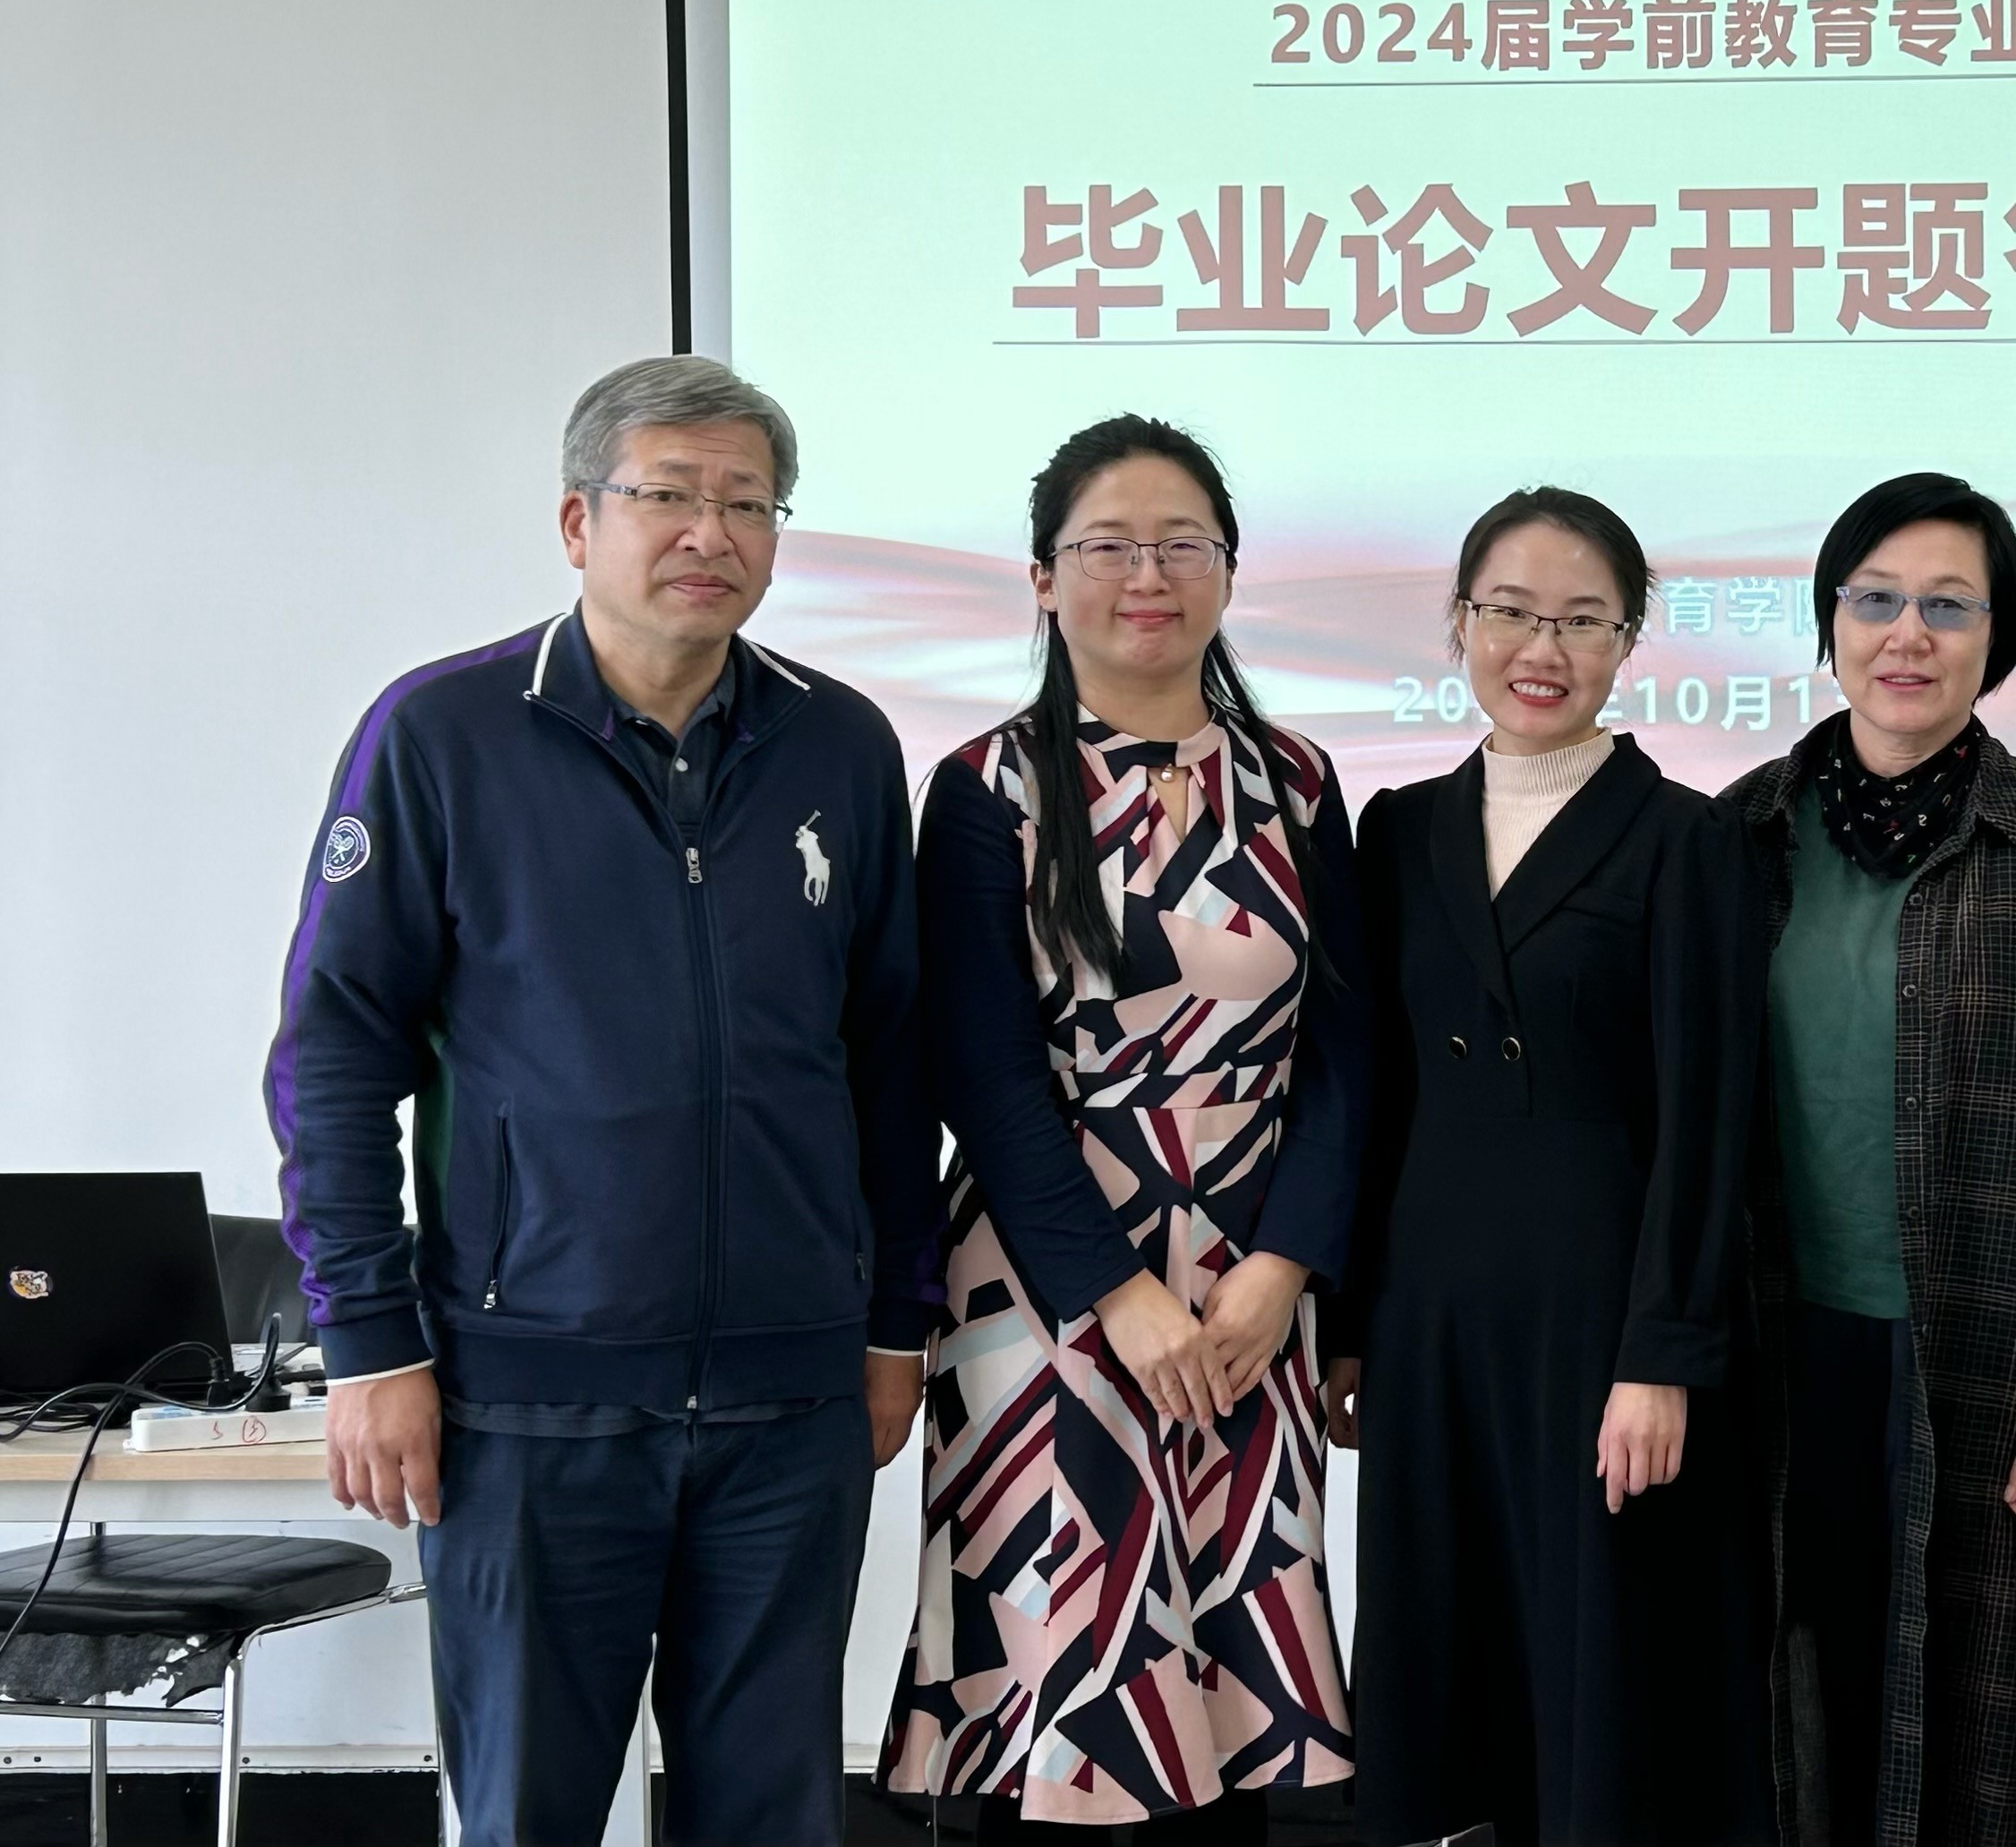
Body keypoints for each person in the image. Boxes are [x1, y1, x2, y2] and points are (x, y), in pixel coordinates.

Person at [265, 355, 935, 1847]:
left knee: (774, 1816)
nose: (712, 532)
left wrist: (895, 1318)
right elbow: (336, 1051)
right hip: (528, 1398)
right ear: (579, 523)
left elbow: (892, 1059)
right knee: (530, 1813)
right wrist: (369, 1339)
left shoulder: (839, 744)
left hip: (789, 1400)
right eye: (669, 495)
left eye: (748, 504)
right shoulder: (442, 735)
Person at [881, 416, 1367, 1837]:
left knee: (1233, 1697)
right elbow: (983, 1078)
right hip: (1048, 1288)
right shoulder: (985, 788)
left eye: (1180, 545)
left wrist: (1282, 1271)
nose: (1146, 575)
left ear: (1229, 571)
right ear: (1044, 578)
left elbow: (1346, 1059)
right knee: (1063, 1692)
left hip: (1249, 1291)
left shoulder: (1299, 782)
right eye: (1107, 546)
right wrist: (1119, 1296)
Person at [1719, 473, 2016, 1847]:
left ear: (2001, 637)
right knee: (1797, 1681)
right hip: (1779, 1349)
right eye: (1875, 599)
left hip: (1997, 1356)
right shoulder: (1738, 835)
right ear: (1828, 621)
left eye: (1948, 606)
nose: (1907, 635)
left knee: (1982, 1705)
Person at [1332, 488, 1770, 1847]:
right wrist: (1347, 1327)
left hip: (1598, 1316)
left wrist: (1663, 1356)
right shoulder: (1396, 831)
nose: (1544, 649)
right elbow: (1369, 1097)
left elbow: (1710, 1119)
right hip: (1430, 1312)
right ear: (1457, 621)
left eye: (1585, 621)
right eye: (1512, 613)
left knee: (1597, 1661)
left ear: (1630, 642)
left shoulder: (1689, 839)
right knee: (1438, 1648)